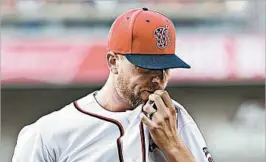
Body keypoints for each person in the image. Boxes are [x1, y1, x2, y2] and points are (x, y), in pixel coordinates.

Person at [12, 8, 214, 162]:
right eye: (145, 69)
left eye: (165, 69)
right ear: (113, 62)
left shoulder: (175, 120)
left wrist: (173, 146)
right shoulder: (47, 133)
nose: (158, 80)